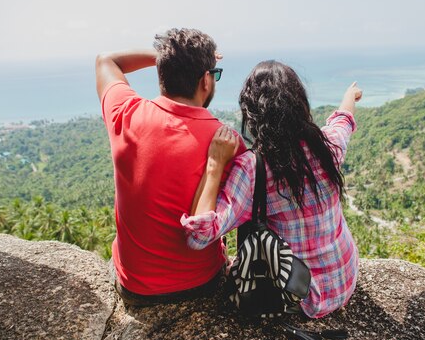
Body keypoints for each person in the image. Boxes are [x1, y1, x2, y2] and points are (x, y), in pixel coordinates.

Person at [181, 60, 362, 318]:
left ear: (253, 113)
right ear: (299, 103)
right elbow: (343, 122)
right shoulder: (327, 147)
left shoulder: (254, 169)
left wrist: (215, 164)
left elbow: (198, 237)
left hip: (302, 296)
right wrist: (350, 97)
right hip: (345, 280)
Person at [95, 28, 245, 306]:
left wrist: (168, 58)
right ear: (205, 81)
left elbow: (106, 60)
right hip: (203, 282)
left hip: (134, 286)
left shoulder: (127, 114)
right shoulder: (227, 142)